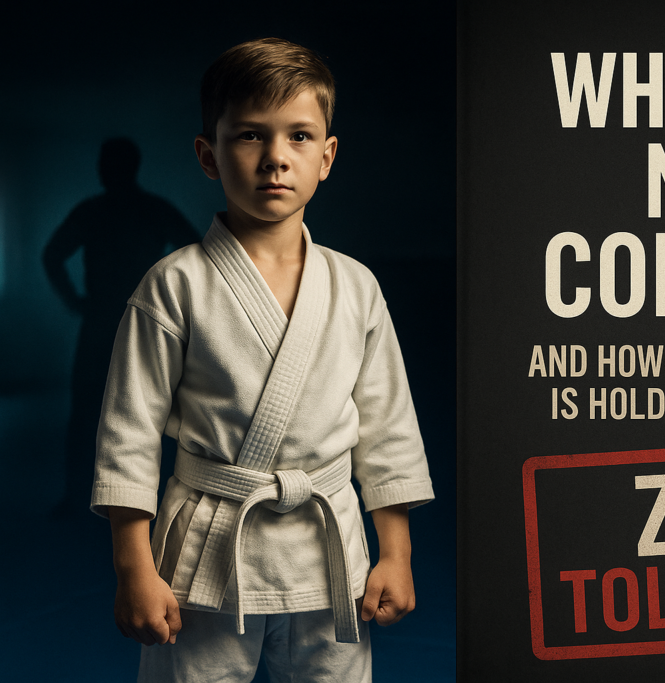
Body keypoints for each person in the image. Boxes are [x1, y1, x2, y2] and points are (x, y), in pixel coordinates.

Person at [90, 38, 434, 682]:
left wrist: (397, 552)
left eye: (299, 136)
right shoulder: (173, 284)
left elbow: (390, 427)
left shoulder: (355, 286)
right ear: (208, 154)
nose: (276, 158)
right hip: (205, 553)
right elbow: (127, 435)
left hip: (329, 552)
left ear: (327, 156)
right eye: (250, 135)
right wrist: (134, 566)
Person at [43, 137, 197, 518]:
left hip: (113, 320)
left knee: (100, 412)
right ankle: (154, 499)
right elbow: (198, 252)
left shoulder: (94, 212)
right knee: (153, 411)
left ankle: (83, 496)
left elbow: (52, 255)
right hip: (143, 321)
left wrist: (74, 299)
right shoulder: (151, 209)